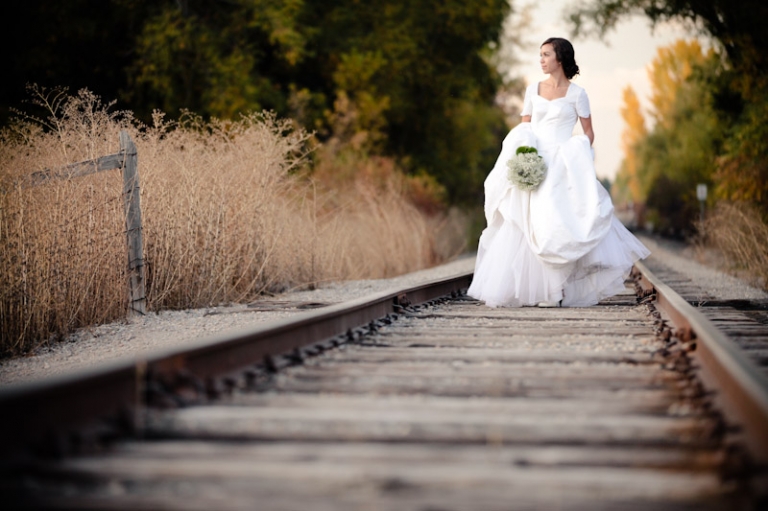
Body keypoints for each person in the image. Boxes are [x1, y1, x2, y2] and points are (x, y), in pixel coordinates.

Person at [467, 37, 650, 307]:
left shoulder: (578, 94)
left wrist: (578, 154)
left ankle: (557, 291)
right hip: (535, 164)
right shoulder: (533, 90)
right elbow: (525, 128)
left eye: (546, 54)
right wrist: (524, 159)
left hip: (564, 165)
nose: (541, 60)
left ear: (560, 58)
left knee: (557, 224)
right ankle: (544, 291)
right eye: (540, 54)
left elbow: (588, 133)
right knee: (532, 224)